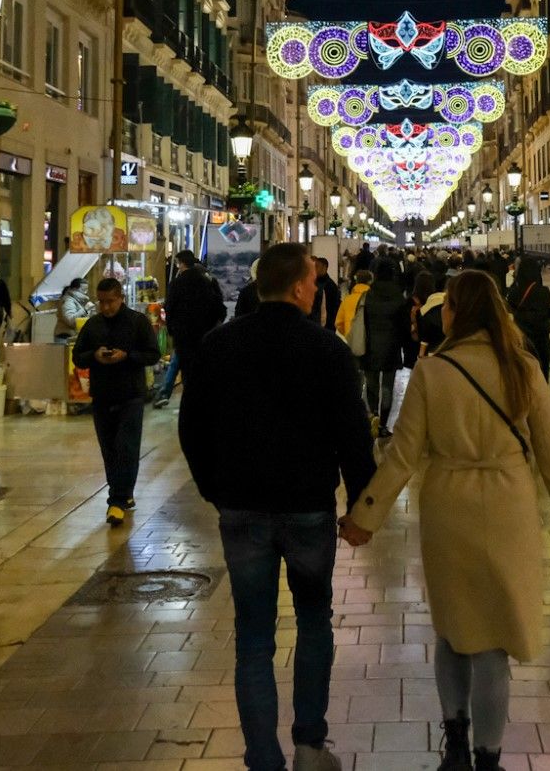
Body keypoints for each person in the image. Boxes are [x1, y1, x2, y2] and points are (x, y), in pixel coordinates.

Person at [341, 271, 550, 771]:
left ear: (457, 311)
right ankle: (488, 757)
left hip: (448, 506)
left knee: (454, 630)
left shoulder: (435, 372)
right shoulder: (522, 367)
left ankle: (455, 740)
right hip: (509, 506)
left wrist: (365, 515)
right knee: (494, 639)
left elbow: (402, 456)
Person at [179, 243, 375, 771]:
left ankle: (263, 757)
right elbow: (354, 436)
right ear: (296, 288)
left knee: (254, 635)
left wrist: (214, 489)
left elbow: (191, 428)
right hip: (307, 508)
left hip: (241, 508)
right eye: (313, 282)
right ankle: (310, 739)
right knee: (314, 622)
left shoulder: (218, 346)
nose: (316, 290)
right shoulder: (327, 350)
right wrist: (362, 508)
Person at [75, 277, 160, 524]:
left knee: (126, 447)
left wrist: (127, 356)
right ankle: (123, 493)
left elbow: (152, 354)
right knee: (109, 449)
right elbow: (79, 357)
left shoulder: (137, 322)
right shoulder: (92, 326)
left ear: (120, 298)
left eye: (110, 302)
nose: (105, 307)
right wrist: (95, 355)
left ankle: (117, 500)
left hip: (130, 395)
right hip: (102, 396)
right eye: (101, 302)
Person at [159, 249, 226, 408]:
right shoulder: (207, 282)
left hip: (183, 336)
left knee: (183, 366)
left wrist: (172, 329)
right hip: (205, 334)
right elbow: (219, 307)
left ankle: (185, 401)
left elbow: (170, 307)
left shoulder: (177, 283)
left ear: (182, 263)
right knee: (203, 369)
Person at [361, 258, 408, 436]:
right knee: (387, 387)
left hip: (371, 345)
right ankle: (383, 425)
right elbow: (403, 324)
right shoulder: (398, 295)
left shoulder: (369, 294)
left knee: (372, 385)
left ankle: (373, 416)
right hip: (391, 346)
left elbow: (363, 320)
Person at [505, 258, 550, 377]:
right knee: (542, 373)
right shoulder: (544, 292)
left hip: (522, 338)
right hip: (541, 339)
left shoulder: (514, 293)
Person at [311, 256, 340, 329]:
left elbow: (334, 308)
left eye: (316, 266)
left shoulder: (330, 286)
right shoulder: (313, 283)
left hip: (326, 325)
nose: (314, 269)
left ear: (324, 268)